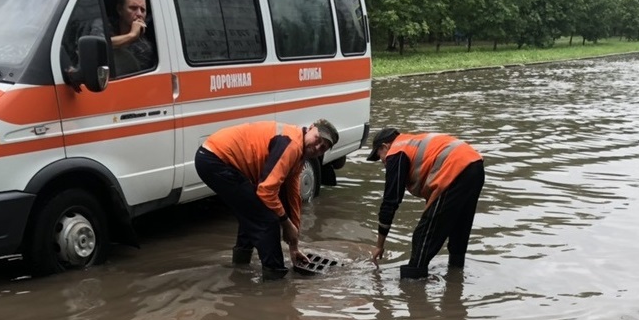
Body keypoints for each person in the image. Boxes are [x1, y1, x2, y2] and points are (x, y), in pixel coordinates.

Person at [194, 119, 339, 280]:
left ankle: (240, 268)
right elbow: (266, 191)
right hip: (216, 160)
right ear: (310, 128)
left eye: (323, 147)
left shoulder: (299, 154)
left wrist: (294, 243)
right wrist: (285, 222)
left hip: (214, 157)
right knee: (267, 221)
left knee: (251, 212)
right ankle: (275, 281)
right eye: (318, 139)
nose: (317, 147)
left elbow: (292, 195)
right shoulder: (292, 145)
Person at [367, 127, 485, 279]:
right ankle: (456, 280)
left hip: (455, 169)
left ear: (384, 146)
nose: (383, 162)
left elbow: (391, 201)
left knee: (422, 236)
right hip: (475, 165)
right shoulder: (411, 142)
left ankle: (413, 285)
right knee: (459, 230)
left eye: (379, 156)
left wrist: (379, 245)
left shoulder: (396, 152)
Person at [111, 0, 155, 74]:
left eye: (143, 10)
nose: (139, 14)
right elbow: (98, 46)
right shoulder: (105, 25)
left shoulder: (144, 48)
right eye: (133, 8)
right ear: (120, 10)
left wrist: (134, 36)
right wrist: (131, 36)